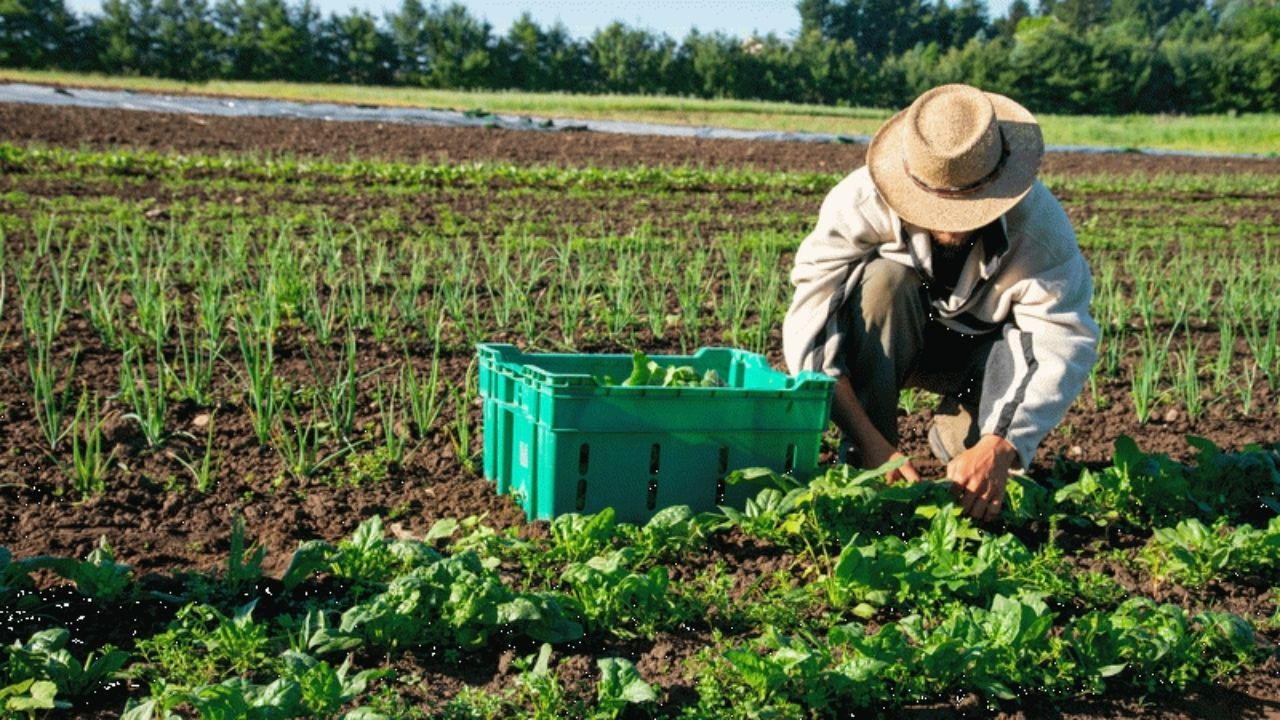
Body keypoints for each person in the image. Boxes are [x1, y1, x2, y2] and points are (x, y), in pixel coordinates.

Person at [782, 84, 1098, 522]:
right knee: (882, 283)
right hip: (891, 342)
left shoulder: (1040, 228)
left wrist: (1000, 445)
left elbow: (1059, 340)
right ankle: (866, 463)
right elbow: (812, 327)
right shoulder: (859, 202)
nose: (950, 223)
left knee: (980, 482)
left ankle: (964, 432)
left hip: (978, 359)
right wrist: (874, 445)